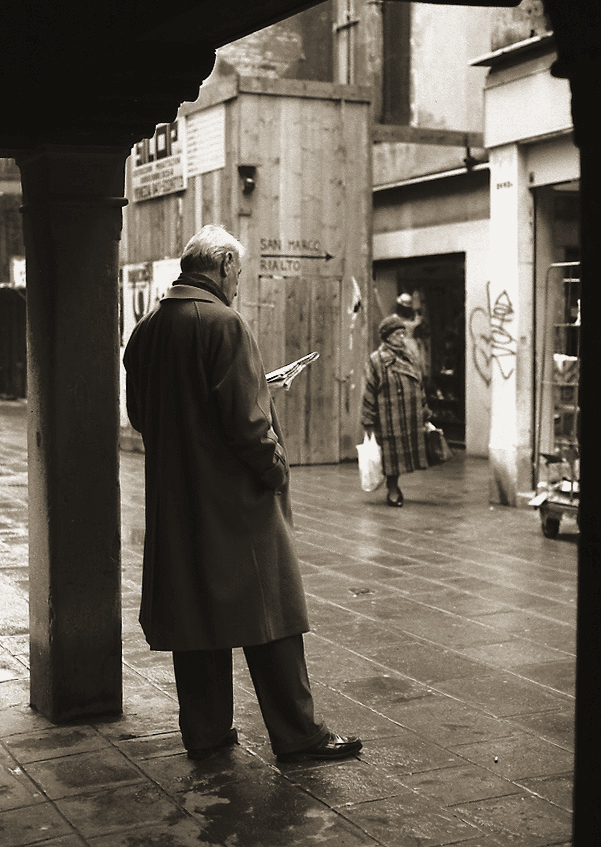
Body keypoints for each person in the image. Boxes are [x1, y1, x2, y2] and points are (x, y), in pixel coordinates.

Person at [123, 225, 361, 764]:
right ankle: (299, 735)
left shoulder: (147, 329)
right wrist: (276, 469)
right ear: (226, 265)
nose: (239, 282)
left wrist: (253, 388)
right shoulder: (225, 324)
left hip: (176, 501)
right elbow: (248, 428)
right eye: (238, 272)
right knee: (272, 613)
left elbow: (143, 414)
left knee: (195, 615)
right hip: (234, 501)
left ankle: (206, 732)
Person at [361, 314, 432, 507]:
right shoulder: (377, 360)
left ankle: (394, 487)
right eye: (398, 334)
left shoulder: (410, 357)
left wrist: (425, 413)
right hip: (389, 417)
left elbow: (420, 385)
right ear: (387, 336)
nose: (402, 338)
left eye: (403, 334)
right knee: (391, 456)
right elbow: (369, 389)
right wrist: (368, 419)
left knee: (400, 456)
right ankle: (393, 490)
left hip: (409, 414)